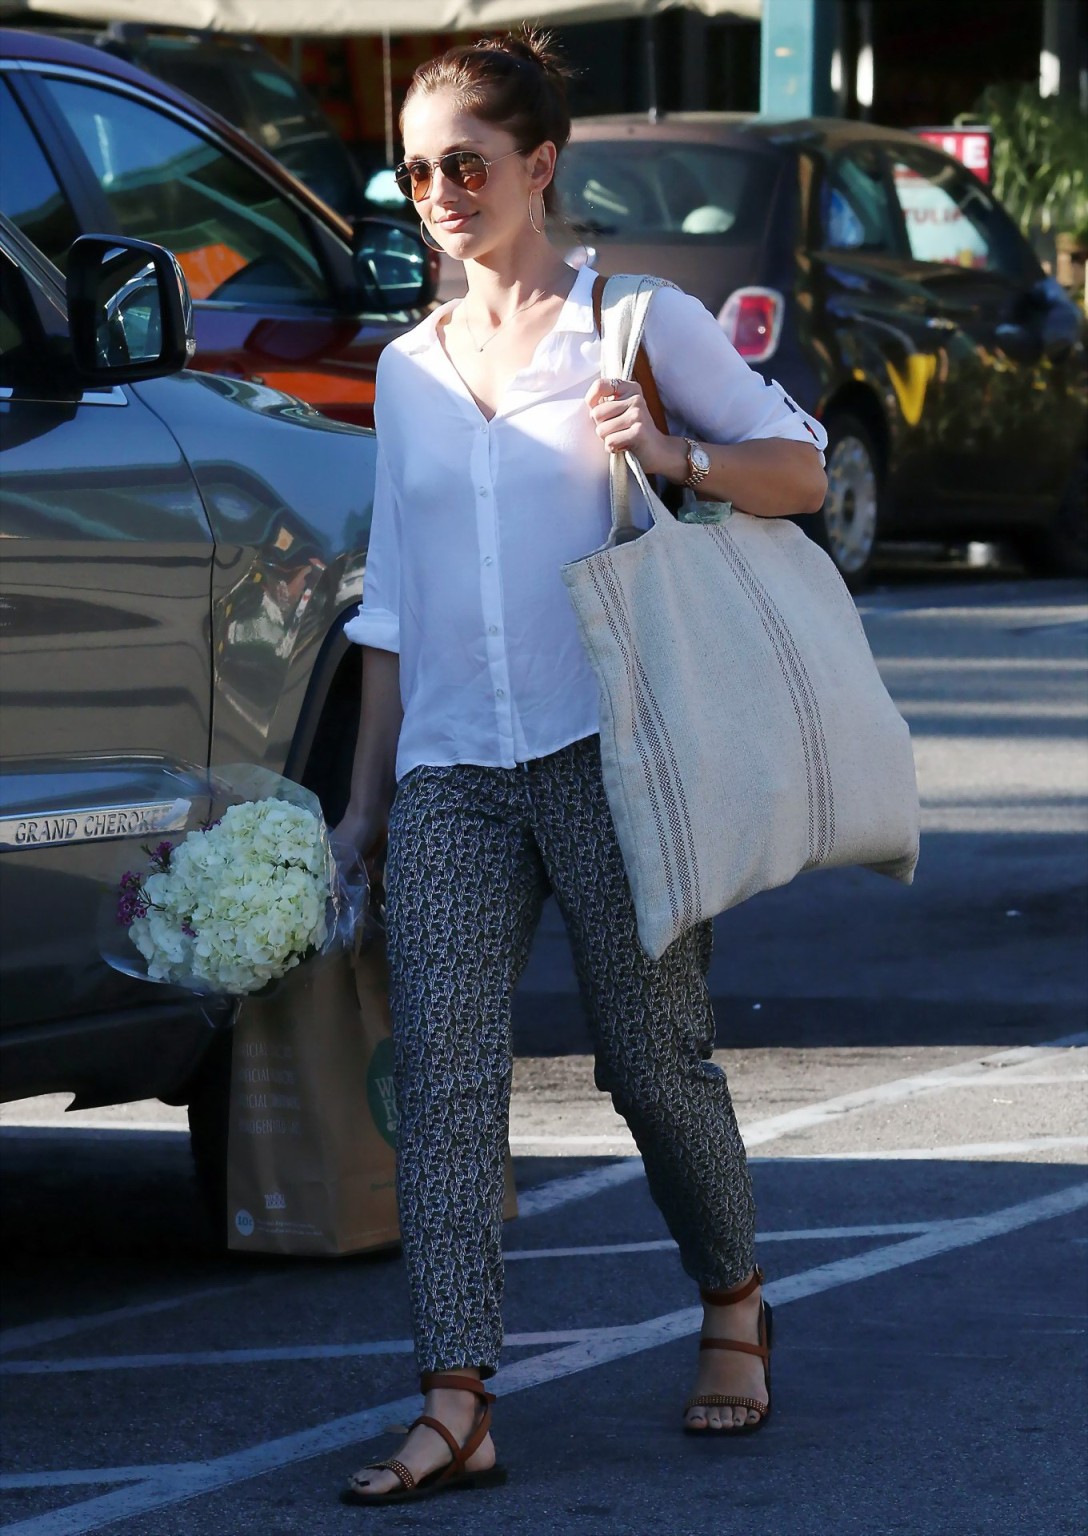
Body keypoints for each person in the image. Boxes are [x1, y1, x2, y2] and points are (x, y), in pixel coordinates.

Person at [332, 28, 828, 1507]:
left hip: (617, 757)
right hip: (455, 774)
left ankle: (733, 1295)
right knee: (443, 1074)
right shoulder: (409, 369)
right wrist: (365, 806)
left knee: (650, 1059)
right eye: (413, 168)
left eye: (465, 163)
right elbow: (395, 602)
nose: (437, 190)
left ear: (540, 166)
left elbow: (797, 468)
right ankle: (456, 1397)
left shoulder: (636, 326)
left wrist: (671, 455)